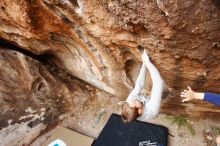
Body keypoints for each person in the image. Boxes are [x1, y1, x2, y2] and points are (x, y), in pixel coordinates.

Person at [121, 50, 163, 122]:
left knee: (140, 94)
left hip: (143, 104)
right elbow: (158, 82)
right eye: (135, 102)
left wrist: (144, 65)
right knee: (156, 92)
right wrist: (148, 62)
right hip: (149, 107)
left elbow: (138, 86)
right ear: (139, 111)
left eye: (132, 100)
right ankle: (149, 97)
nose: (134, 99)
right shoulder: (152, 109)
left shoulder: (129, 103)